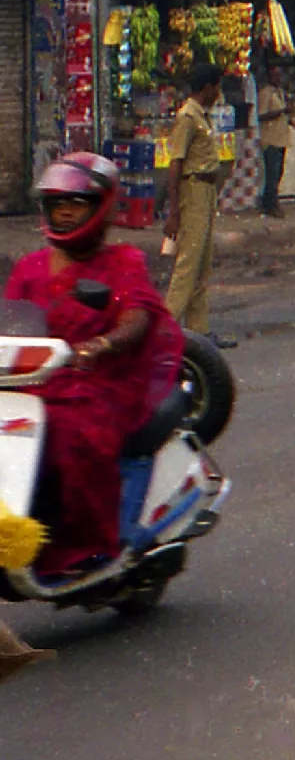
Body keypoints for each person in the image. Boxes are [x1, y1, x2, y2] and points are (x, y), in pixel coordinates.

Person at [4, 154, 184, 578]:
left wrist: (100, 345)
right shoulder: (29, 268)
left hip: (100, 379)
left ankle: (86, 548)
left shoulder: (123, 262)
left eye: (76, 203)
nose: (65, 211)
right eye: (57, 203)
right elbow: (10, 321)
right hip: (35, 381)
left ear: (100, 207)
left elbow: (137, 316)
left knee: (72, 438)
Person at [164, 65, 223, 338]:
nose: (218, 93)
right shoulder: (187, 117)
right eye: (217, 87)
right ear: (208, 87)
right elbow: (175, 163)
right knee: (188, 265)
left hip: (207, 193)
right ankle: (164, 331)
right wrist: (173, 211)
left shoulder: (202, 116)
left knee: (202, 265)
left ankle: (200, 333)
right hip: (193, 191)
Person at [256, 68, 294, 218]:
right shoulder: (266, 93)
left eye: (280, 75)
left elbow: (282, 113)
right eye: (275, 75)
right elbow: (261, 115)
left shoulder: (279, 92)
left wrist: (290, 119)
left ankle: (268, 203)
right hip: (270, 139)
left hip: (281, 138)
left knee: (278, 172)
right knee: (272, 173)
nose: (278, 78)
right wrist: (282, 111)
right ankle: (272, 204)